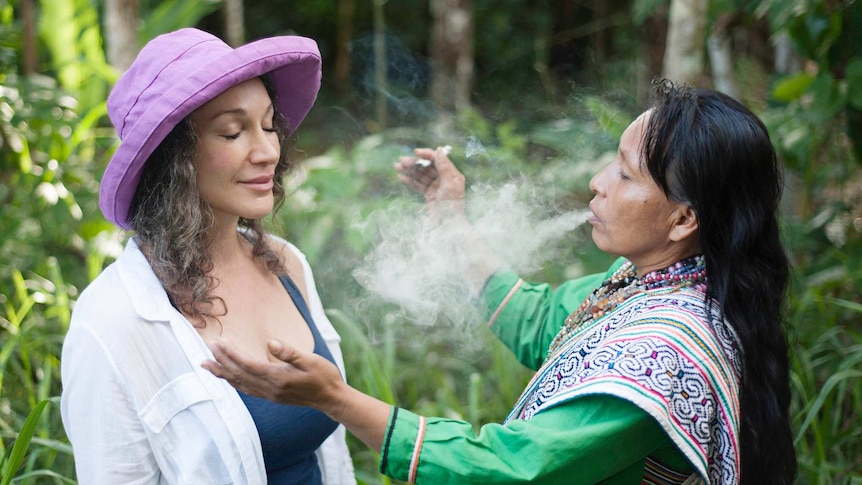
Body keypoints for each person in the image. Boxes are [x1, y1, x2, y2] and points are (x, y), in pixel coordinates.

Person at [202, 80, 798, 484]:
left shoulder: (664, 356)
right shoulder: (651, 285)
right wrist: (451, 216)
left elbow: (509, 470)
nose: (597, 181)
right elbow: (541, 320)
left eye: (625, 172)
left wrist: (335, 399)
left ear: (684, 218)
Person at [60, 28, 356, 484]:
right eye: (233, 132)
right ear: (172, 157)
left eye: (270, 124)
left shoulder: (286, 264)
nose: (267, 151)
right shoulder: (113, 322)